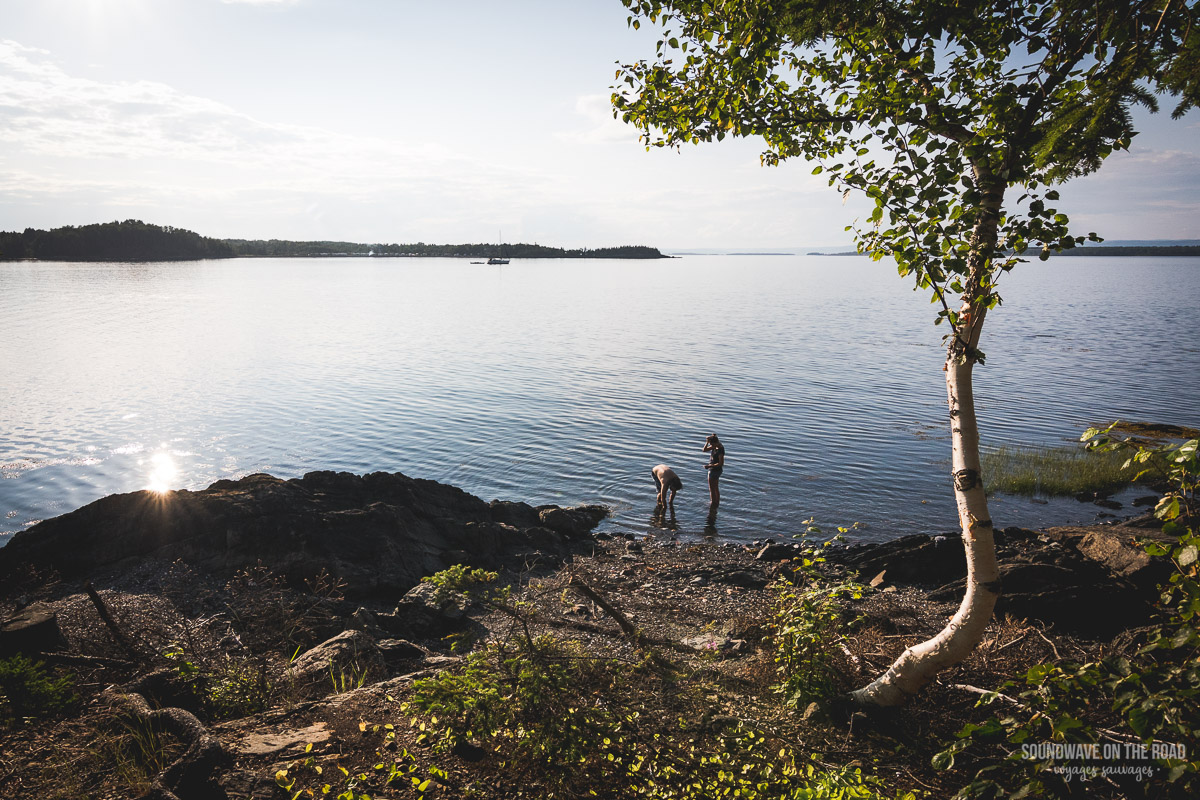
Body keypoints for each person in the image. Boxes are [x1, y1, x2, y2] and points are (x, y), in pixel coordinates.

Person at [703, 433, 725, 506]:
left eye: (712, 444)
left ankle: (713, 503)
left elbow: (721, 463)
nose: (711, 446)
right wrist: (707, 442)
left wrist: (709, 466)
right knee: (715, 487)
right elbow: (704, 450)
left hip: (715, 470)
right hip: (714, 469)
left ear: (715, 442)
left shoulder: (720, 450)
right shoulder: (715, 446)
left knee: (712, 488)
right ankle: (716, 502)